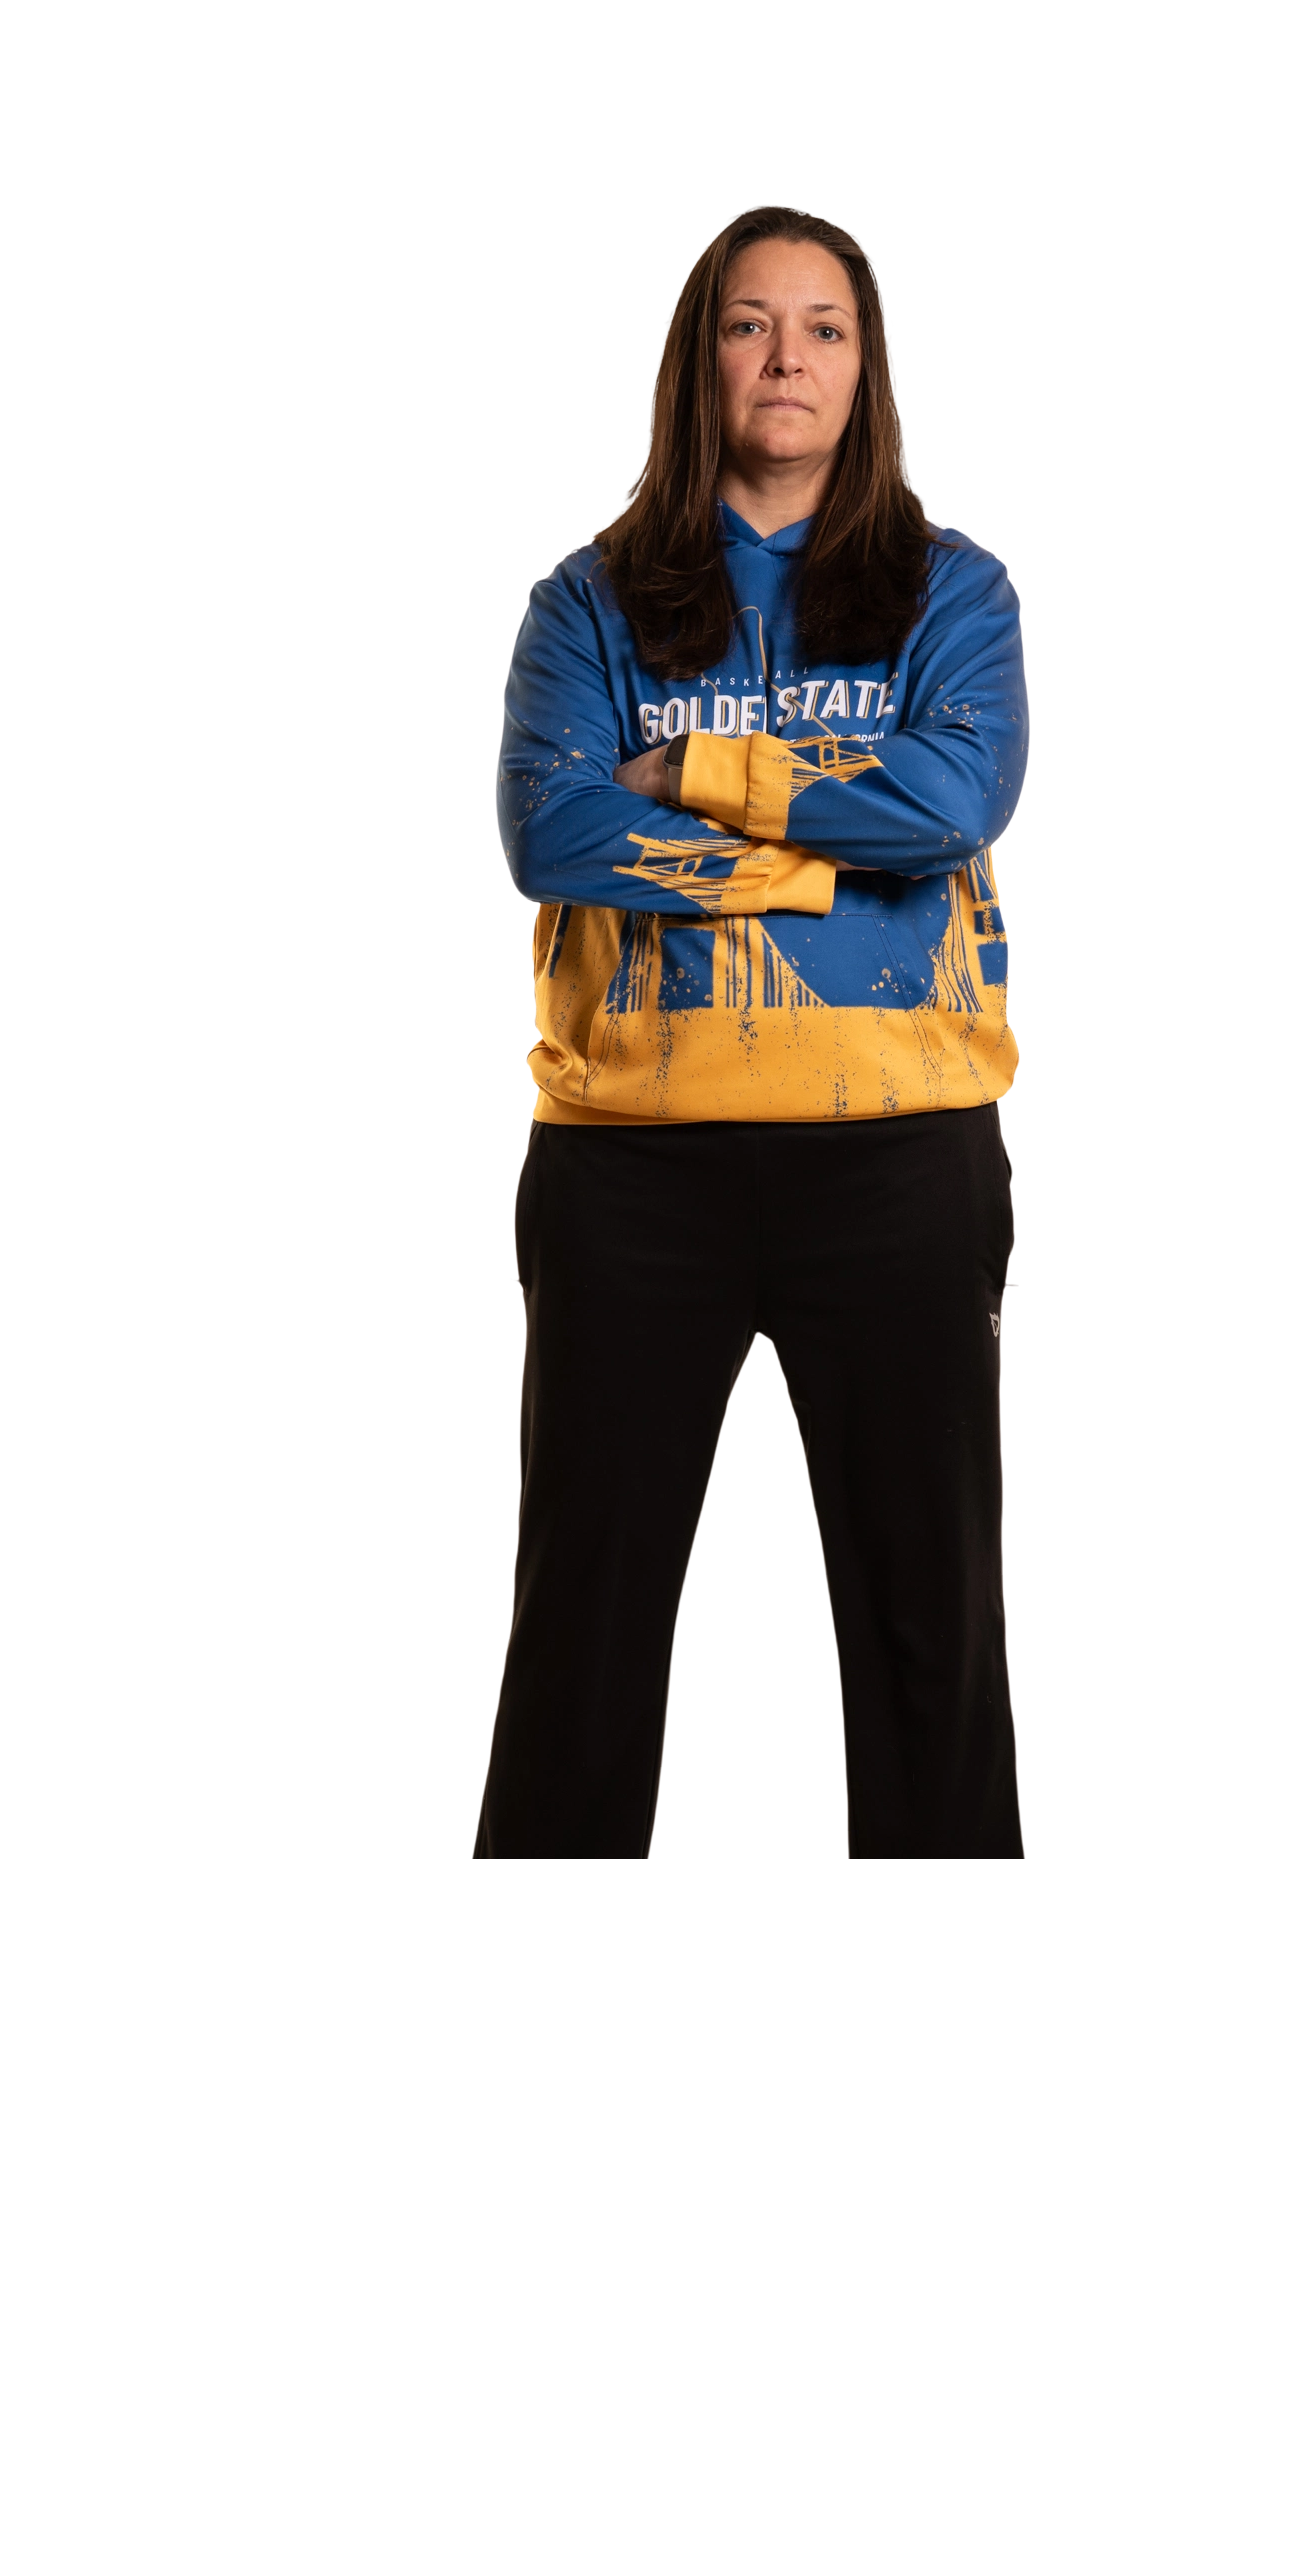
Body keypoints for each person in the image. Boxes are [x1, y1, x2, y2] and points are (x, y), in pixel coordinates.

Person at [474, 204, 1028, 1859]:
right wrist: (826, 856)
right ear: (697, 359)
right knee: (578, 1657)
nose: (787, 356)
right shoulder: (588, 606)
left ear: (867, 370)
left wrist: (701, 772)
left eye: (825, 327)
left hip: (903, 1163)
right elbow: (551, 832)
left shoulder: (953, 591)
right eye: (748, 322)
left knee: (932, 1653)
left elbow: (955, 800)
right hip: (631, 1176)